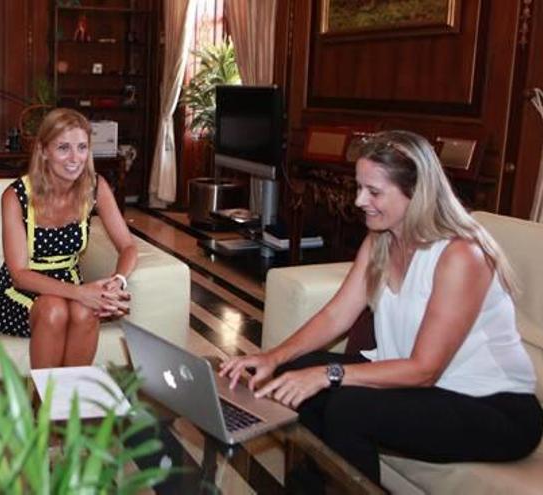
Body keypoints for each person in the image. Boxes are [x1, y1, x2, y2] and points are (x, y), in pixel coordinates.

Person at [219, 130, 542, 487]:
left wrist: (330, 374)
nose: (359, 200)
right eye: (359, 187)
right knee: (295, 373)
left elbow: (425, 369)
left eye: (373, 191)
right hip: (425, 387)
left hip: (493, 407)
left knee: (347, 407)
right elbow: (336, 315)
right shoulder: (381, 240)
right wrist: (274, 358)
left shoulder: (461, 255)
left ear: (416, 192)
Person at [0, 108, 136, 369]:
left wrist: (117, 282)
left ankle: (68, 405)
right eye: (63, 148)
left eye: (82, 147)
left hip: (70, 285)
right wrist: (81, 293)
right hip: (19, 292)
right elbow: (19, 273)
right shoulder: (15, 195)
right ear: (44, 151)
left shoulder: (95, 187)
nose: (74, 158)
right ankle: (41, 405)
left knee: (85, 310)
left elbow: (128, 246)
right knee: (55, 309)